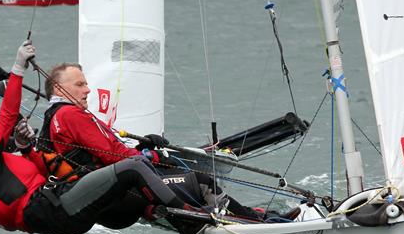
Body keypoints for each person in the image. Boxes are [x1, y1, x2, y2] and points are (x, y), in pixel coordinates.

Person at [0, 41, 199, 234]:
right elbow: (7, 116)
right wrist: (17, 70)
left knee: (126, 177)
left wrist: (25, 148)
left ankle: (159, 210)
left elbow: (28, 186)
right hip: (56, 207)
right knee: (133, 167)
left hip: (55, 218)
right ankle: (188, 220)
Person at [27, 63, 301, 224]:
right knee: (201, 182)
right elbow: (112, 156)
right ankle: (263, 224)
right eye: (80, 84)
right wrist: (150, 155)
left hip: (102, 196)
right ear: (61, 90)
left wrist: (144, 148)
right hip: (117, 194)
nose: (87, 89)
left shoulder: (54, 116)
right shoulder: (71, 114)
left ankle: (259, 216)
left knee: (188, 184)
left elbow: (106, 152)